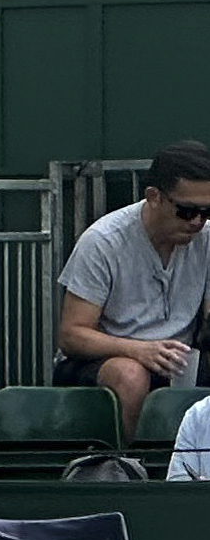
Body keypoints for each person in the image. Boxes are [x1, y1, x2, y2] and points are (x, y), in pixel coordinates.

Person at [53, 139, 210, 434]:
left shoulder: (207, 238)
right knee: (130, 374)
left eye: (207, 211)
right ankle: (130, 469)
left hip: (178, 360)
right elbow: (72, 335)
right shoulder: (103, 241)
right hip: (104, 358)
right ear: (153, 197)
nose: (198, 222)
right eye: (188, 211)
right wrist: (138, 350)